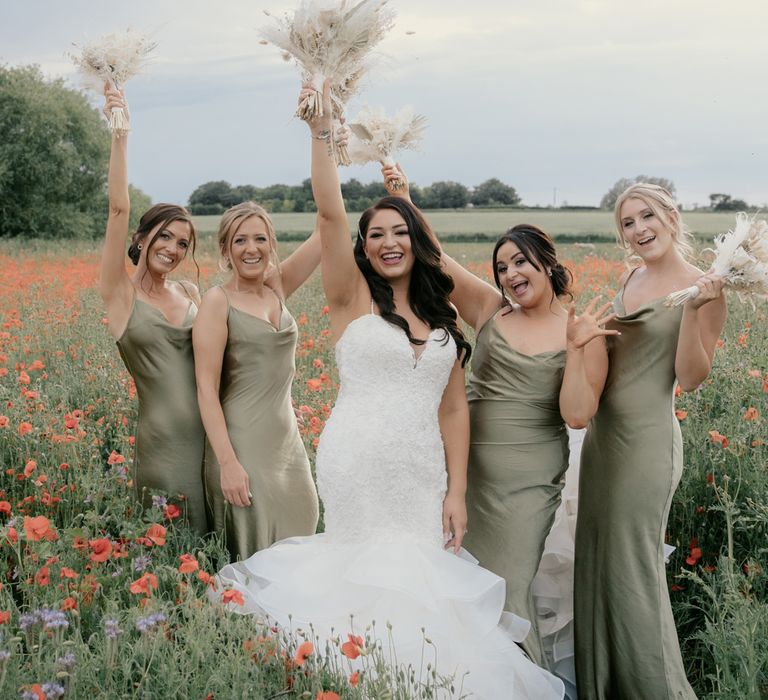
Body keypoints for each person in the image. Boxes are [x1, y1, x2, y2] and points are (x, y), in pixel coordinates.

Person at [214, 84, 564, 699]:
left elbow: (454, 409)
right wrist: (322, 133)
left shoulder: (444, 313)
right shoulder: (348, 299)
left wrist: (456, 490)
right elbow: (328, 214)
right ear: (365, 247)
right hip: (357, 460)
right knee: (362, 573)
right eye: (375, 234)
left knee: (423, 578)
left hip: (422, 470)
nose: (387, 242)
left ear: (415, 240)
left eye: (398, 231)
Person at [380, 165, 613, 688]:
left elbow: (577, 414)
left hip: (529, 479)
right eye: (502, 266)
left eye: (520, 262)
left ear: (548, 266)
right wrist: (405, 198)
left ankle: (522, 687)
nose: (510, 274)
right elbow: (437, 259)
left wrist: (576, 351)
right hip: (463, 467)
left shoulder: (582, 331)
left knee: (508, 587)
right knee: (455, 582)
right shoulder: (490, 309)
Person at [574, 183, 726, 699]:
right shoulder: (631, 276)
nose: (639, 230)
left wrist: (690, 310)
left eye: (646, 217)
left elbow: (691, 374)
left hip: (646, 443)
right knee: (597, 561)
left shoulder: (706, 286)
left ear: (670, 216)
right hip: (602, 439)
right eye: (628, 224)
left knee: (633, 568)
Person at [99, 85, 208, 535]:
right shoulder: (120, 295)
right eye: (165, 236)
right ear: (142, 238)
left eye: (182, 243)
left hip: (214, 435)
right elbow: (118, 207)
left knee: (216, 542)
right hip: (162, 443)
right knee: (168, 547)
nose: (173, 248)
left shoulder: (190, 293)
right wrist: (121, 132)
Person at [193, 202, 322, 561]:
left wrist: (330, 150)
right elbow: (205, 389)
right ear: (225, 250)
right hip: (242, 445)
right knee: (258, 555)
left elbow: (327, 227)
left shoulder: (276, 287)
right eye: (240, 241)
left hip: (287, 445)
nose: (251, 249)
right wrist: (228, 463)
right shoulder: (217, 302)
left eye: (260, 239)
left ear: (272, 244)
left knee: (303, 528)